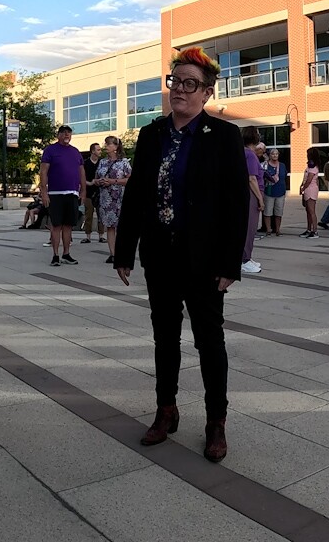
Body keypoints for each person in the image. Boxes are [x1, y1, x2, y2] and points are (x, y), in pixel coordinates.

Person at [114, 46, 248, 464]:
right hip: (161, 257)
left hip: (205, 261)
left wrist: (230, 264)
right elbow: (136, 195)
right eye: (175, 82)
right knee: (164, 338)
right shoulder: (152, 134)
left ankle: (215, 422)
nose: (180, 91)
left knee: (210, 341)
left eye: (191, 84)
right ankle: (165, 410)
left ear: (206, 93)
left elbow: (236, 204)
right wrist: (124, 251)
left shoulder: (224, 137)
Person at [40, 125, 89, 266]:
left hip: (72, 194)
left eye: (69, 133)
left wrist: (83, 191)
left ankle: (66, 254)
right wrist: (44, 192)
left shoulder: (75, 152)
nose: (67, 135)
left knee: (68, 225)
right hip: (55, 194)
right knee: (56, 225)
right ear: (59, 135)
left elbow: (82, 172)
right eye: (64, 133)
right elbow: (43, 171)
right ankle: (55, 255)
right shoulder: (50, 150)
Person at [94, 135, 131, 264]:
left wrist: (113, 181)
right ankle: (113, 253)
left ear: (115, 147)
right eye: (105, 144)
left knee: (121, 226)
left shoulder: (124, 163)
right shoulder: (103, 162)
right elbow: (96, 178)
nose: (106, 147)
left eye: (108, 144)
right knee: (110, 226)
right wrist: (100, 181)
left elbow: (130, 179)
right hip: (106, 198)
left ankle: (122, 252)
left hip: (119, 197)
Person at [241, 127, 266, 273]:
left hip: (249, 194)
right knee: (250, 228)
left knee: (249, 227)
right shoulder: (250, 154)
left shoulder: (245, 153)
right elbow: (252, 178)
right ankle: (244, 259)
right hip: (252, 194)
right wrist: (260, 200)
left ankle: (246, 257)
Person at [82, 143, 105, 244]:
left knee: (101, 215)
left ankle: (101, 236)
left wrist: (101, 181)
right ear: (93, 151)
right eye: (98, 150)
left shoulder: (102, 163)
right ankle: (88, 236)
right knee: (88, 214)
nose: (100, 151)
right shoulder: (85, 163)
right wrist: (90, 182)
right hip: (88, 192)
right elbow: (81, 178)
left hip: (100, 191)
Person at [262, 148, 287, 236]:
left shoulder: (282, 165)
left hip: (280, 192)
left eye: (276, 154)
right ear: (270, 155)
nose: (275, 155)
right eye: (273, 154)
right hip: (269, 191)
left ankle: (278, 229)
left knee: (278, 212)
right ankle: (268, 229)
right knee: (268, 211)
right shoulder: (265, 165)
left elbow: (284, 176)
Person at [299, 149, 322, 238]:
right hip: (308, 189)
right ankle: (309, 229)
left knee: (312, 211)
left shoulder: (313, 167)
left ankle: (315, 230)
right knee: (308, 210)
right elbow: (305, 178)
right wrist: (301, 185)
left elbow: (309, 180)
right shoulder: (309, 166)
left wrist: (303, 188)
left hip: (311, 189)